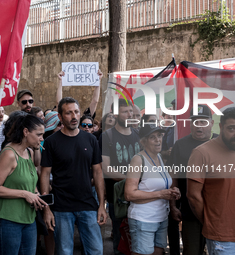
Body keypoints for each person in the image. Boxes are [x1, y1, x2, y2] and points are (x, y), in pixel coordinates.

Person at [40, 97, 107, 255]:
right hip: (62, 207)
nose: (74, 116)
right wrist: (47, 209)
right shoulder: (51, 142)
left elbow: (97, 172)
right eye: (69, 113)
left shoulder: (91, 140)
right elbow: (45, 175)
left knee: (96, 250)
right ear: (60, 117)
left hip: (88, 205)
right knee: (64, 251)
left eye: (76, 112)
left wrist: (101, 205)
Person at [187, 107, 235, 255]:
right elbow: (193, 196)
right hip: (223, 239)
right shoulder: (201, 153)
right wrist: (212, 224)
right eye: (231, 129)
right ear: (221, 127)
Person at [0, 114, 47, 255]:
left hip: (29, 219)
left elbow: (29, 182)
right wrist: (24, 194)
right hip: (9, 221)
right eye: (39, 135)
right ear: (26, 132)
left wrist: (36, 194)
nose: (42, 139)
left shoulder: (29, 152)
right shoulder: (9, 154)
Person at [124, 124, 180, 255]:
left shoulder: (158, 157)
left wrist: (173, 191)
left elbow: (160, 184)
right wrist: (161, 194)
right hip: (143, 219)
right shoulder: (138, 160)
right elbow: (129, 194)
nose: (158, 140)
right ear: (143, 141)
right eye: (152, 137)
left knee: (158, 252)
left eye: (159, 136)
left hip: (161, 217)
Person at [168, 104, 217, 255]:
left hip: (218, 210)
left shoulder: (221, 143)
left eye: (203, 121)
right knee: (192, 251)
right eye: (195, 122)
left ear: (212, 123)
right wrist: (173, 206)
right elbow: (173, 177)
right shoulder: (180, 145)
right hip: (190, 210)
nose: (199, 126)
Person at [101, 99, 140, 255]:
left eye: (131, 111)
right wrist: (130, 178)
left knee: (138, 239)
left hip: (139, 196)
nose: (129, 114)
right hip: (118, 198)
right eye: (125, 112)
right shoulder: (107, 136)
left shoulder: (138, 134)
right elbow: (106, 169)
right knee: (120, 240)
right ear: (115, 114)